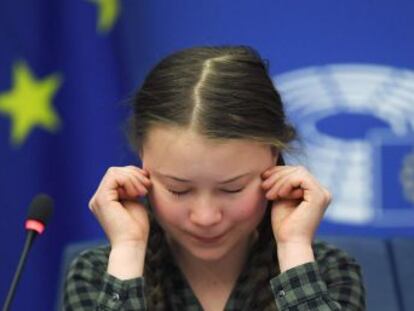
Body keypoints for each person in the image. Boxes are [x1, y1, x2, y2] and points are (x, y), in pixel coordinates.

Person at [63, 45, 365, 310]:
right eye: (178, 190)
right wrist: (128, 249)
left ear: (274, 156)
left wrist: (294, 247)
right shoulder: (98, 273)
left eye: (232, 189)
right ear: (143, 159)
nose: (206, 217)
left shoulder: (327, 270)